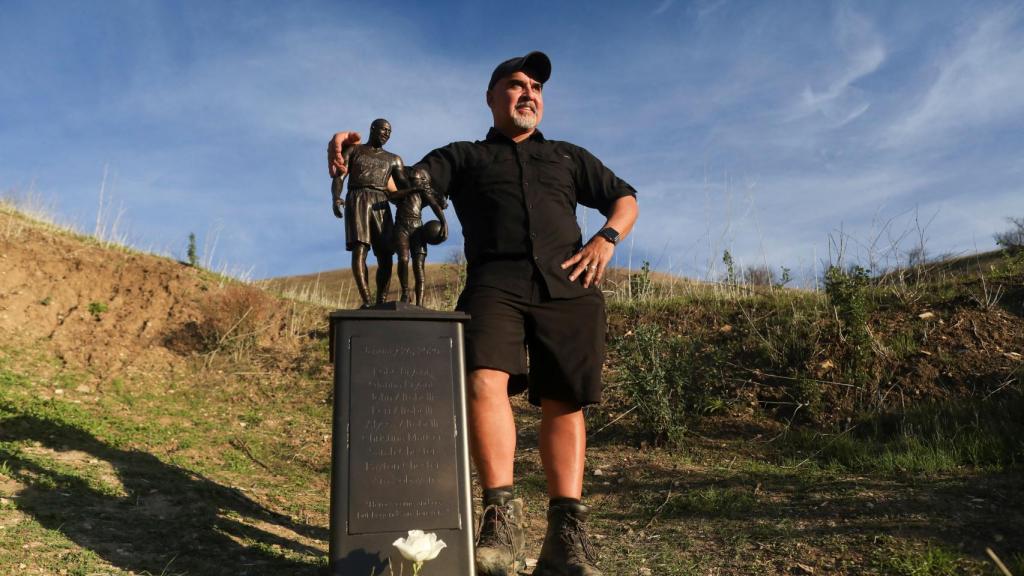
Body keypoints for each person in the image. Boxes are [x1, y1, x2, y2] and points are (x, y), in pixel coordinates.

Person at [328, 51, 639, 576]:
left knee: (565, 400)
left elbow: (624, 197)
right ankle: (500, 523)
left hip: (569, 284)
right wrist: (353, 157)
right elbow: (401, 184)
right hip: (495, 283)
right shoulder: (463, 156)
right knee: (483, 381)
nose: (529, 93)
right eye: (516, 84)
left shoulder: (567, 156)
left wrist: (606, 239)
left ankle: (566, 540)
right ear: (492, 97)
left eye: (536, 87)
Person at [331, 118, 406, 307]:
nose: (386, 134)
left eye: (389, 132)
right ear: (373, 129)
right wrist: (336, 197)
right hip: (358, 197)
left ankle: (381, 301)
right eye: (383, 130)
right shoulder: (355, 150)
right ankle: (366, 300)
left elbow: (404, 186)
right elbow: (340, 176)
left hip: (381, 200)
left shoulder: (394, 159)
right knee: (360, 248)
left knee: (386, 254)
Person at [388, 165, 448, 306]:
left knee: (419, 265)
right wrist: (412, 190)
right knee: (403, 259)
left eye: (417, 179)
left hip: (417, 228)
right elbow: (392, 196)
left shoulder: (424, 193)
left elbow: (435, 204)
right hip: (401, 226)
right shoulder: (403, 191)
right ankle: (405, 292)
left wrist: (444, 222)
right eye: (412, 178)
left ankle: (420, 302)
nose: (414, 180)